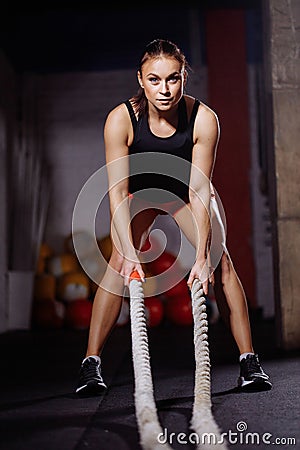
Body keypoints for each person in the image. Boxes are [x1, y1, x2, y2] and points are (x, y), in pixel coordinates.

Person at [75, 38, 272, 395]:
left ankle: (249, 362)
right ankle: (91, 364)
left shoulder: (203, 119)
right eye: (154, 79)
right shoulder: (121, 119)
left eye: (173, 79)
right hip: (140, 195)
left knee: (220, 263)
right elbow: (118, 194)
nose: (164, 89)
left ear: (184, 77)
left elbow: (198, 191)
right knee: (119, 261)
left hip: (184, 194)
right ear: (140, 78)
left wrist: (200, 259)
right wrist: (132, 253)